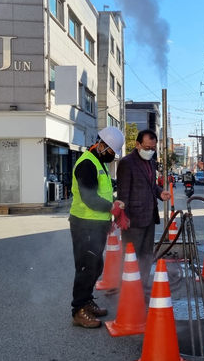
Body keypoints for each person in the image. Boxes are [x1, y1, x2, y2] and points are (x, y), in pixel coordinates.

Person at [69, 126, 126, 329]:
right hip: (84, 224)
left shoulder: (98, 163)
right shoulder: (87, 164)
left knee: (95, 266)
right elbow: (90, 198)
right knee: (86, 267)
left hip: (95, 224)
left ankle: (86, 301)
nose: (112, 155)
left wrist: (107, 221)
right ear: (101, 145)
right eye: (111, 151)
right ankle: (79, 310)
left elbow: (102, 192)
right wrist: (112, 208)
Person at [116, 129, 171, 290]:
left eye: (153, 148)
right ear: (137, 145)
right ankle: (127, 289)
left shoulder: (152, 162)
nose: (150, 151)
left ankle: (142, 286)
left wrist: (160, 193)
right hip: (133, 218)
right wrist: (123, 217)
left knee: (147, 254)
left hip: (149, 216)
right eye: (147, 148)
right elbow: (123, 192)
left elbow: (150, 185)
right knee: (131, 255)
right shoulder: (127, 162)